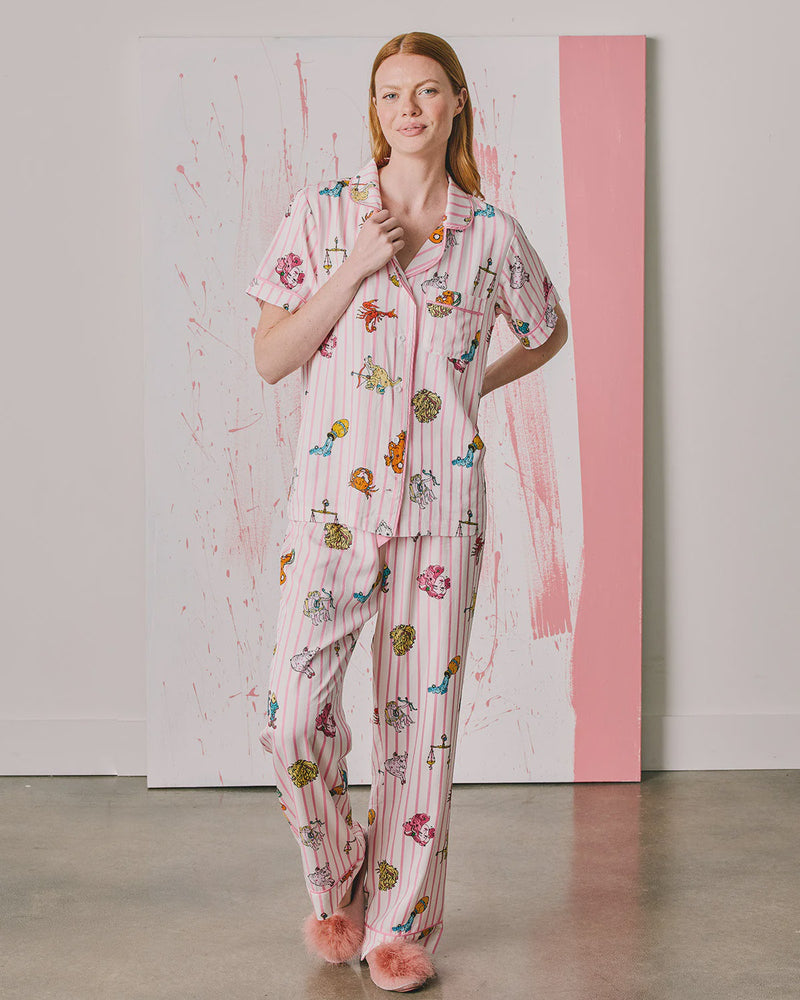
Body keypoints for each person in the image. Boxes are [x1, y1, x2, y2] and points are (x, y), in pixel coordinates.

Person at [245, 30, 568, 993]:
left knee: (417, 733)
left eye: (427, 91)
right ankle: (341, 869)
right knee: (290, 718)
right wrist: (353, 268)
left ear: (457, 102)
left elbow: (546, 329)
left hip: (441, 511)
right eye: (391, 94)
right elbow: (271, 357)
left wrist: (473, 387)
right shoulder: (323, 214)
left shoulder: (491, 235)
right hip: (333, 509)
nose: (409, 110)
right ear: (375, 110)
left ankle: (399, 925)